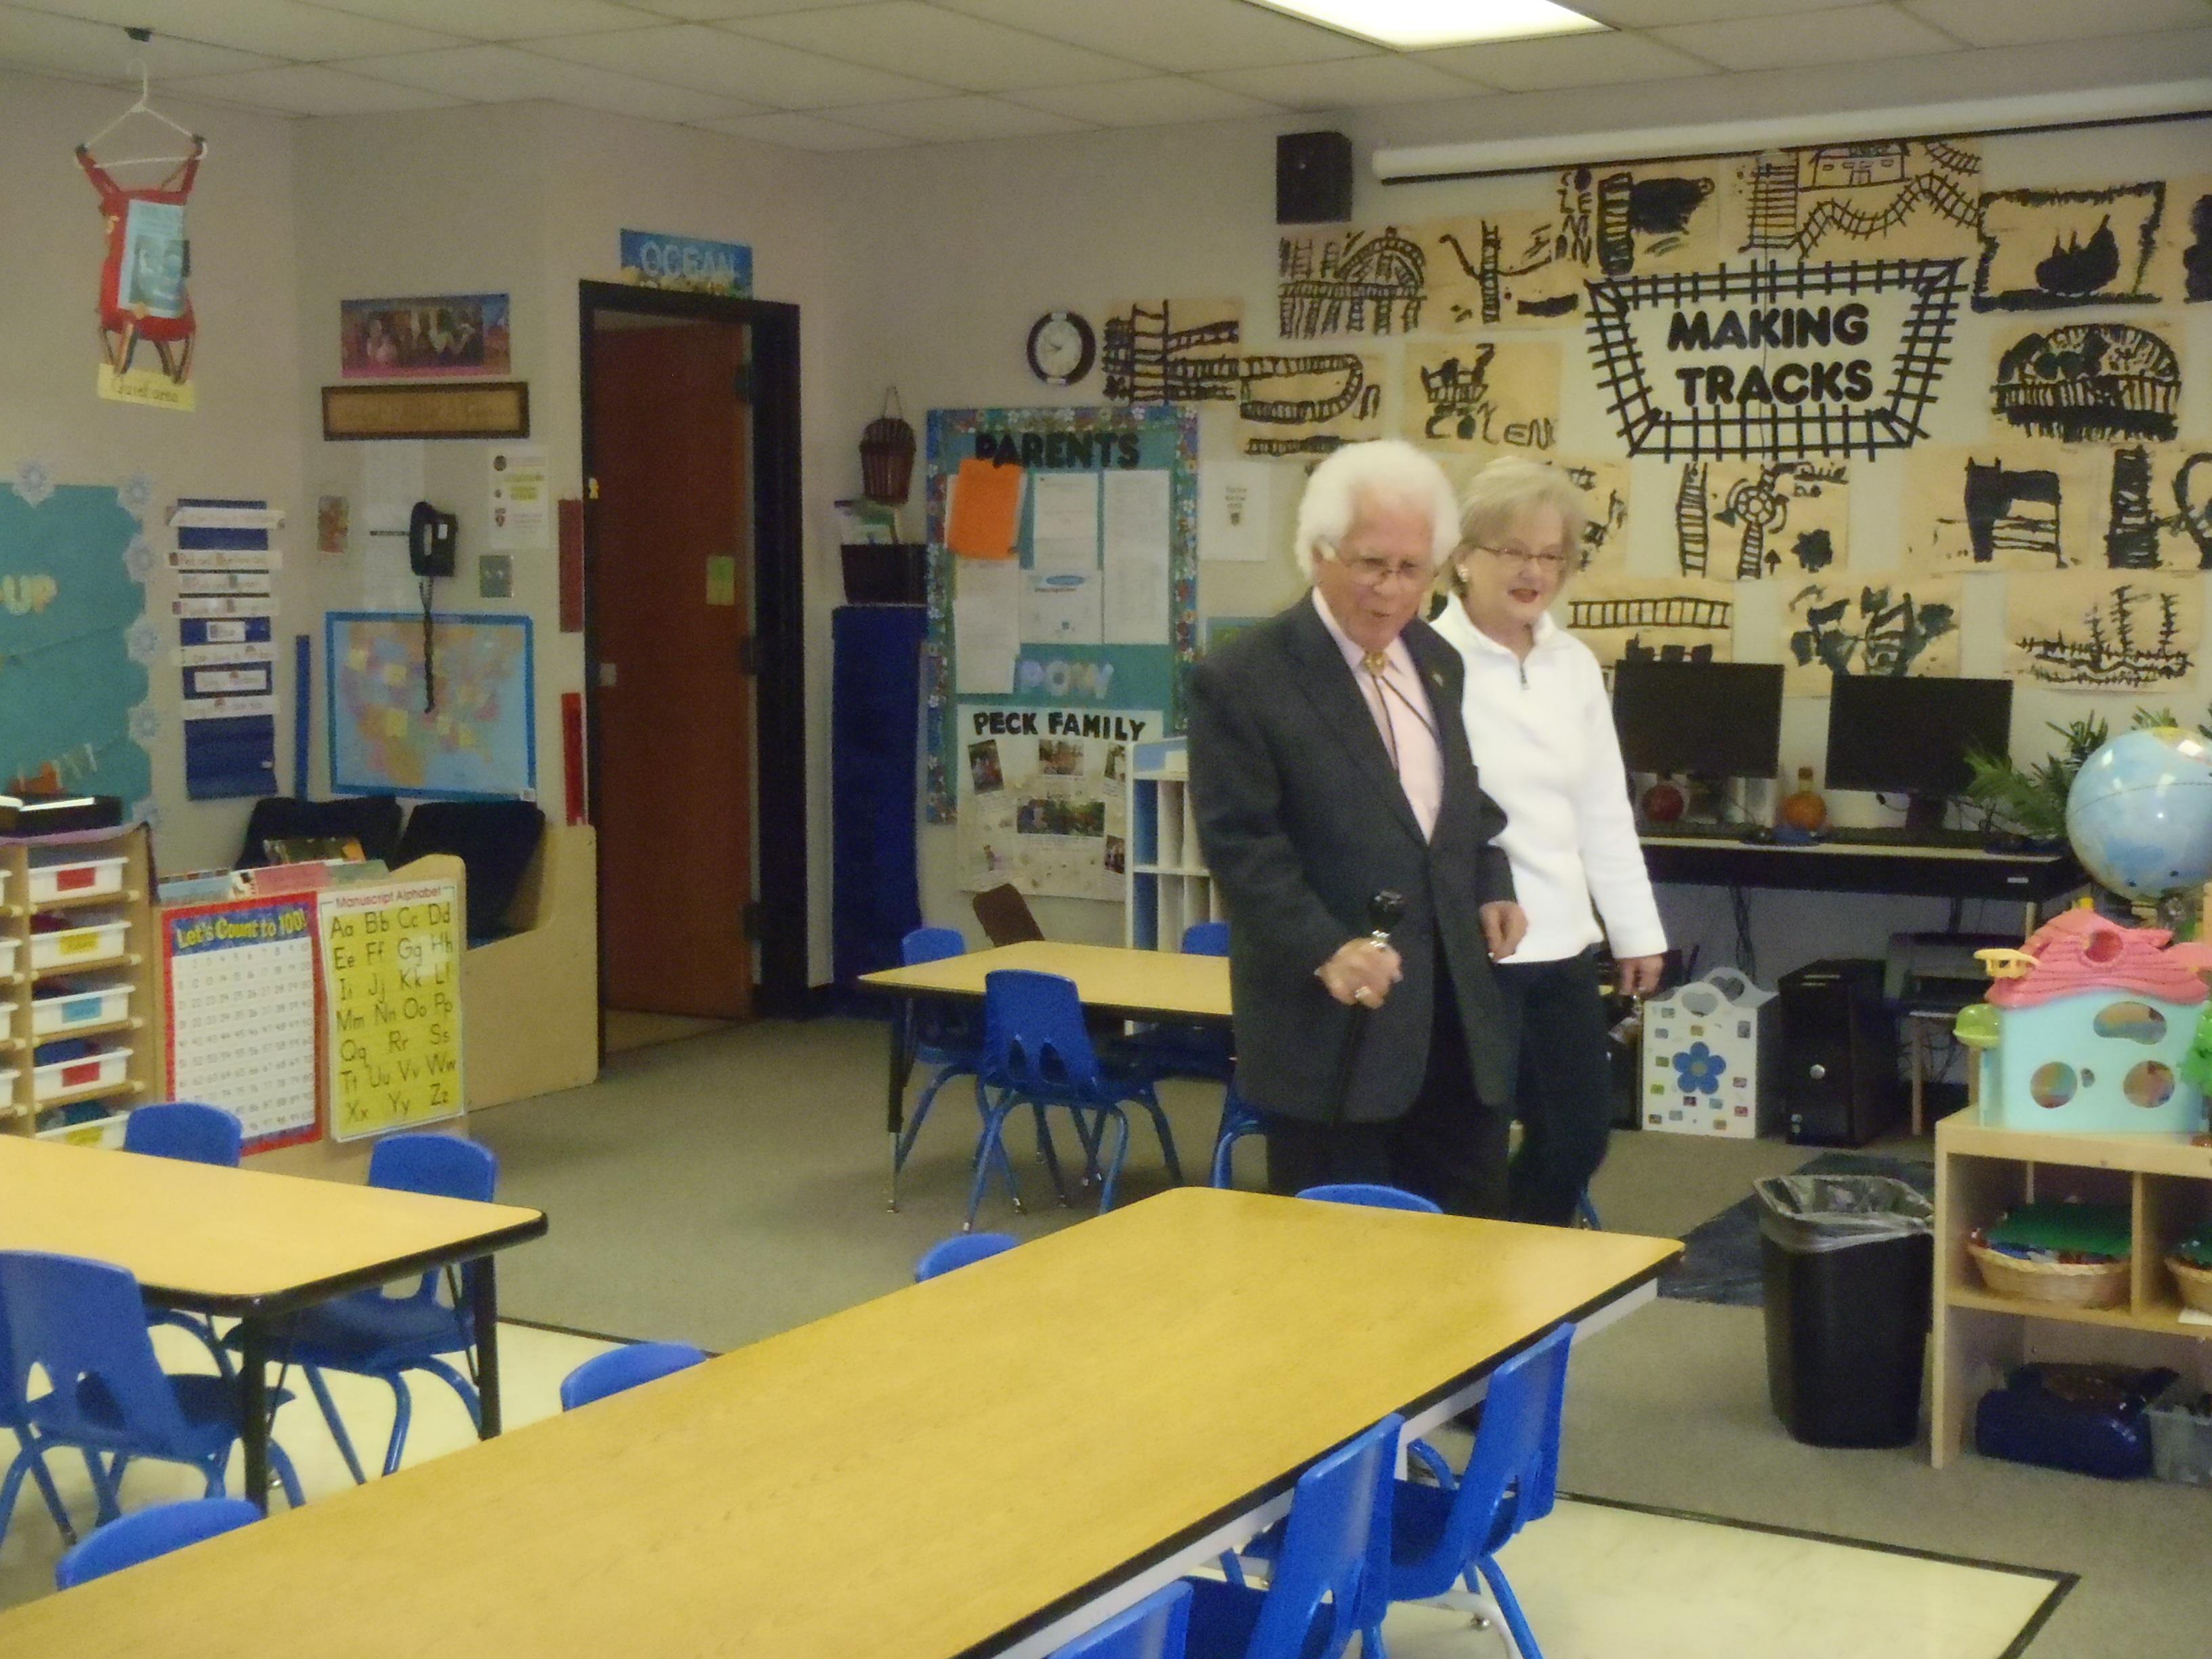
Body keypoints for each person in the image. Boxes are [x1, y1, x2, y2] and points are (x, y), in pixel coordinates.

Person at [1187, 440, 1528, 1215]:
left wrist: (1490, 884)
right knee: (1340, 1279)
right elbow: (1242, 846)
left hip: (1452, 1028)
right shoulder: (1243, 678)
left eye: (1413, 570)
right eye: (1371, 564)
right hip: (1333, 1037)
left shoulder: (1438, 659)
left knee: (1466, 1259)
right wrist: (1324, 948)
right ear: (1317, 553)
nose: (1390, 591)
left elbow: (1459, 806)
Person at [1429, 456, 1667, 1225]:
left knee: (1578, 1136)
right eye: (1514, 552)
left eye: (1552, 556)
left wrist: (1636, 932)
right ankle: (1475, 1290)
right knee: (1469, 1138)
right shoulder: (1430, 664)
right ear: (1465, 556)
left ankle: (1516, 1258)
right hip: (1473, 947)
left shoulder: (1573, 665)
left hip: (1564, 943)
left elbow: (1604, 809)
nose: (1534, 572)